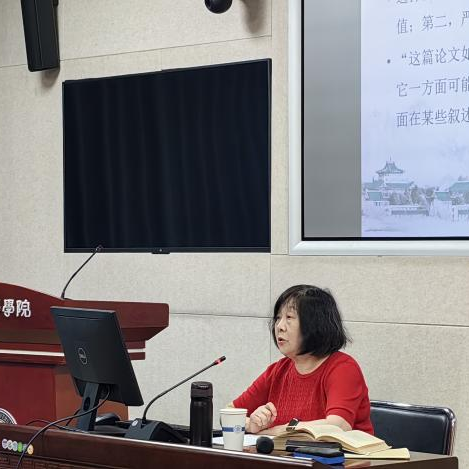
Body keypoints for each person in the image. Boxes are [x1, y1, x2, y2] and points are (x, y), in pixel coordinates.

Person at [230, 285, 373, 435]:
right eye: (278, 318)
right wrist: (251, 424)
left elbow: (337, 426)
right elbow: (229, 413)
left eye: (289, 318)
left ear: (315, 323)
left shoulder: (342, 368)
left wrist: (274, 431)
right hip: (286, 451)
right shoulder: (278, 371)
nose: (279, 326)